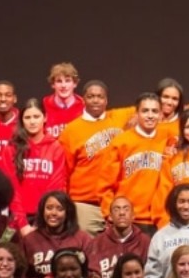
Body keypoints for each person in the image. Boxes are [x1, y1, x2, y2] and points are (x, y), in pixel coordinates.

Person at [57, 80, 133, 234]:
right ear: (83, 99)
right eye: (91, 96)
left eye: (100, 96)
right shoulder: (71, 131)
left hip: (116, 203)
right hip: (85, 204)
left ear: (106, 100)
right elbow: (63, 172)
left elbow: (152, 107)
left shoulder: (118, 119)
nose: (96, 100)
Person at [99, 92, 172, 229]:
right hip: (127, 220)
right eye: (145, 111)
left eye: (155, 111)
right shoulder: (120, 142)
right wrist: (110, 213)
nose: (150, 115)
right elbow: (105, 185)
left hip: (159, 221)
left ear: (161, 114)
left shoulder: (167, 137)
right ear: (136, 113)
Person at [8, 98, 68, 226]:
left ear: (45, 118)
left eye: (36, 116)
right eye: (27, 117)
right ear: (22, 121)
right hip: (18, 219)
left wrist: (39, 223)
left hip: (46, 219)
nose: (32, 121)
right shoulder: (11, 148)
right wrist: (23, 224)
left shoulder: (55, 147)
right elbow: (12, 189)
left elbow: (56, 186)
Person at [21, 191, 95, 278]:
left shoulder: (82, 238)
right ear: (42, 211)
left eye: (60, 209)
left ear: (68, 212)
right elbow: (22, 274)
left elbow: (90, 271)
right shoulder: (29, 240)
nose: (53, 213)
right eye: (49, 208)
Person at [89, 196, 152, 278]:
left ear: (133, 216)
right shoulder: (97, 242)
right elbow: (93, 277)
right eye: (116, 209)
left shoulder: (145, 242)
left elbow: (150, 275)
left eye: (126, 209)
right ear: (110, 217)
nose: (122, 213)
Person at [42, 62, 84, 139]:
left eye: (67, 81)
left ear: (75, 84)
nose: (63, 85)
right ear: (53, 84)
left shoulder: (84, 106)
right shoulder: (43, 106)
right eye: (59, 81)